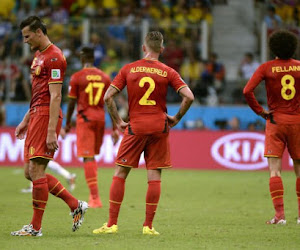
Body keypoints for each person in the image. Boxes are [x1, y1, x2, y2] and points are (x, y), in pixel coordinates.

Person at [92, 31, 194, 235]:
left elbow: (108, 97)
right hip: (159, 127)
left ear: (143, 48)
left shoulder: (129, 69)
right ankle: (148, 226)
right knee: (154, 176)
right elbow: (189, 96)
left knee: (120, 173)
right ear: (162, 49)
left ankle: (112, 224)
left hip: (136, 126)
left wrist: (118, 121)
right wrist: (176, 118)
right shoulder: (168, 71)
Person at [11, 16, 88, 237]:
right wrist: (26, 119)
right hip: (36, 114)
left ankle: (35, 227)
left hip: (46, 116)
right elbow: (38, 94)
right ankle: (75, 205)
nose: (25, 41)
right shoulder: (39, 56)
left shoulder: (55, 58)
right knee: (31, 172)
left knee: (36, 171)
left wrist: (51, 131)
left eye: (27, 36)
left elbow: (55, 97)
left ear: (38, 32)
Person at [243, 30, 300, 225]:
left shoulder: (266, 68)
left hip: (275, 121)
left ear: (272, 48)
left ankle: (280, 216)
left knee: (275, 170)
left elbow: (247, 90)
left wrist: (260, 112)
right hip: (297, 123)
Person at [61, 47, 119, 208]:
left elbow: (72, 102)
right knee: (92, 156)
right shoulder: (105, 77)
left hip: (85, 119)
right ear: (94, 59)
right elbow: (110, 103)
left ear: (82, 58)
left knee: (88, 157)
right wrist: (115, 128)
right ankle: (94, 195)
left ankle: (95, 198)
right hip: (100, 119)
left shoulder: (77, 77)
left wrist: (66, 125)